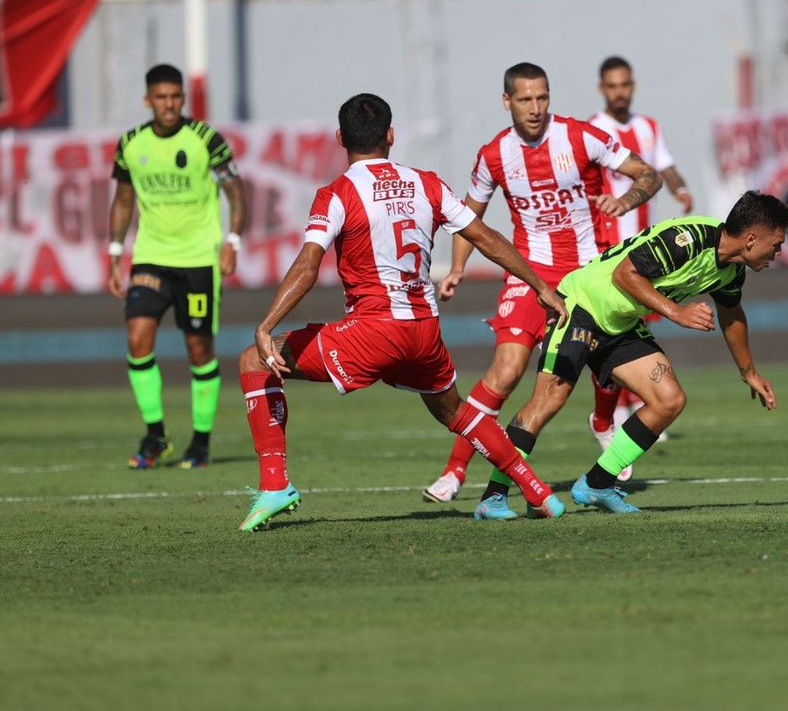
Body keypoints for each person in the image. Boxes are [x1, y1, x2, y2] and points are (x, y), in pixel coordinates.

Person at [235, 93, 569, 532]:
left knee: (254, 359)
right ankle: (537, 490)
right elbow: (485, 236)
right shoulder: (426, 183)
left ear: (340, 138)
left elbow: (308, 263)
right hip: (424, 333)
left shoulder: (337, 193)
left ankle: (276, 485)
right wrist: (540, 285)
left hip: (373, 331)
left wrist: (267, 324)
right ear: (390, 136)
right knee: (453, 410)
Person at [420, 62, 662, 509]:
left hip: (589, 275)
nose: (535, 108)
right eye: (526, 99)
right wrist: (455, 268)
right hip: (529, 273)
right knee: (507, 371)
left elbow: (649, 175)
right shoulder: (493, 154)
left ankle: (603, 421)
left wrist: (623, 200)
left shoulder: (580, 137)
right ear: (507, 101)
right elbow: (467, 218)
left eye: (542, 98)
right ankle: (455, 470)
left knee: (607, 367)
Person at [470, 191, 788, 517]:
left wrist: (748, 371)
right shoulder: (688, 239)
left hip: (619, 322)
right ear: (751, 238)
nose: (777, 253)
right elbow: (624, 274)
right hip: (581, 306)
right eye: (775, 245)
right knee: (549, 400)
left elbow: (732, 314)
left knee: (669, 399)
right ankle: (493, 496)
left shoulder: (732, 271)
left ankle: (597, 483)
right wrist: (676, 313)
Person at [108, 63, 246, 470]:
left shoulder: (206, 139)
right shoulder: (131, 144)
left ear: (183, 98)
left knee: (198, 349)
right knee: (137, 339)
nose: (169, 105)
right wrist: (116, 254)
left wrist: (232, 242)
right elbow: (122, 200)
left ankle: (200, 443)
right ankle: (155, 436)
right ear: (148, 100)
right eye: (162, 97)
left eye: (176, 96)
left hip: (198, 260)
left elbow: (236, 192)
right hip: (150, 256)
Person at [588, 55, 695, 470]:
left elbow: (662, 166)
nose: (620, 92)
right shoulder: (593, 129)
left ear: (633, 85)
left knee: (637, 325)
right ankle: (617, 411)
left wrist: (681, 188)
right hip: (606, 245)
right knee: (614, 325)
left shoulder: (648, 127)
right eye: (612, 86)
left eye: (625, 84)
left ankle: (635, 405)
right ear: (602, 88)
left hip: (644, 247)